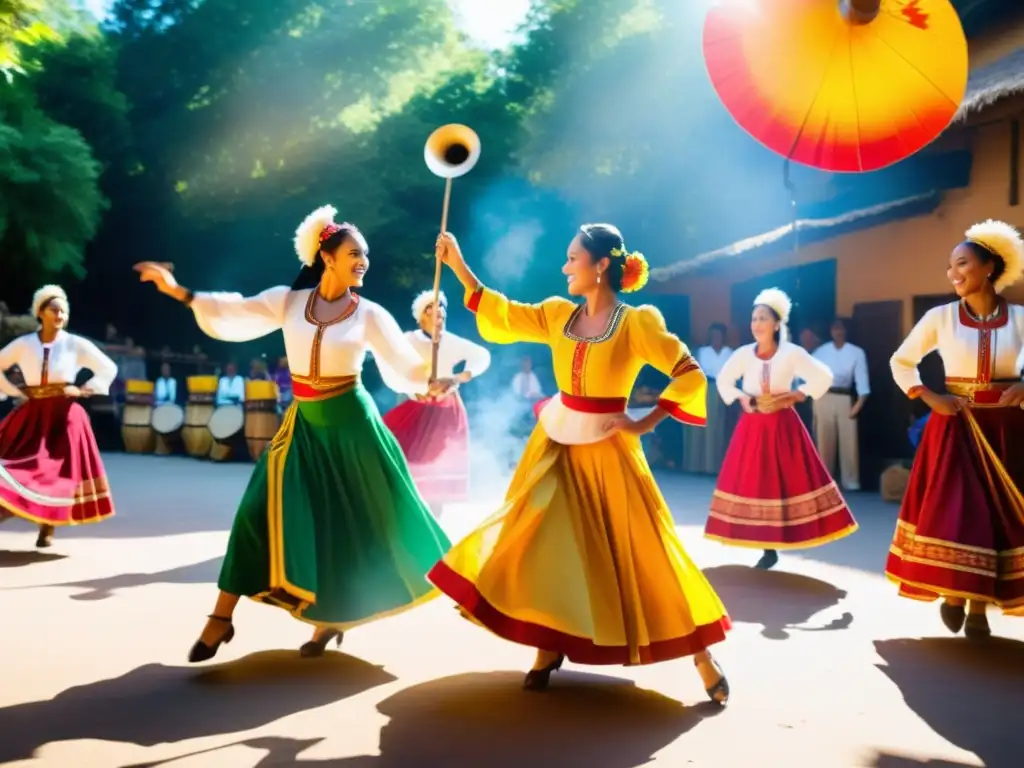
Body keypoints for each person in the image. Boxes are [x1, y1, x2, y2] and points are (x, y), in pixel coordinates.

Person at [134, 205, 456, 662]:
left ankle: (331, 617)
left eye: (366, 255)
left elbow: (406, 366)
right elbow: (233, 309)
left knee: (353, 522)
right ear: (326, 256)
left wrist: (431, 379)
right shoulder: (288, 302)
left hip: (352, 425)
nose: (363, 261)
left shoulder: (370, 314)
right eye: (354, 253)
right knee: (253, 513)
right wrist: (178, 292)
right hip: (301, 425)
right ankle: (220, 618)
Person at [428, 224, 731, 703]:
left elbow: (689, 372)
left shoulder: (637, 323)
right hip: (555, 442)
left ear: (601, 265)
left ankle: (702, 653)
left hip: (609, 448)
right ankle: (548, 646)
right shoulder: (555, 315)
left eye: (573, 258)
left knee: (643, 548)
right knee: (541, 536)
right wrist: (459, 266)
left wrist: (643, 422)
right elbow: (504, 314)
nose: (565, 267)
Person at [887, 219, 1024, 637]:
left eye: (962, 263)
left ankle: (980, 608)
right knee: (959, 513)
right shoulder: (940, 317)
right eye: (950, 267)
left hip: (1005, 431)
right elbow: (901, 361)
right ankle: (952, 593)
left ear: (989, 267)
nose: (953, 274)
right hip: (954, 427)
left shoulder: (1020, 318)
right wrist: (930, 398)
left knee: (996, 519)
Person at [705, 288, 857, 570]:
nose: (757, 324)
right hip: (752, 427)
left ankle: (789, 535)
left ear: (776, 324)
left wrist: (796, 395)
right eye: (754, 318)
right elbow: (725, 382)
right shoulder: (742, 355)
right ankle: (767, 547)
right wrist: (744, 398)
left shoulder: (791, 353)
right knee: (756, 482)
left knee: (787, 482)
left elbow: (822, 376)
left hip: (783, 425)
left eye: (763, 318)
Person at [0, 285, 118, 548]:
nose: (60, 313)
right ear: (40, 313)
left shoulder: (75, 344)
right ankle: (9, 510)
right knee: (14, 464)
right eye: (54, 308)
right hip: (32, 412)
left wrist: (86, 388)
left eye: (63, 309)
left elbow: (107, 367)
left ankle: (47, 525)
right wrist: (13, 390)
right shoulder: (24, 344)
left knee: (52, 471)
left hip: (65, 415)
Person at [380, 289, 491, 514]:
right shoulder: (407, 341)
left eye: (442, 316)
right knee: (400, 453)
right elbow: (388, 365)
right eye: (435, 315)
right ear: (422, 317)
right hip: (418, 405)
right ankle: (405, 511)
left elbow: (482, 356)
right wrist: (412, 388)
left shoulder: (451, 342)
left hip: (445, 409)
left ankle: (435, 520)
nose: (440, 320)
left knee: (438, 467)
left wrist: (459, 377)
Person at [812, 318, 869, 490]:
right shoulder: (820, 352)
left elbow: (862, 382)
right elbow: (810, 376)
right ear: (830, 331)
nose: (838, 332)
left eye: (841, 329)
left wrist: (858, 404)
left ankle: (850, 480)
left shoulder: (856, 352)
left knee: (848, 441)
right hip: (823, 396)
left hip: (845, 397)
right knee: (823, 440)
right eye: (835, 328)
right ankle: (824, 480)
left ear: (846, 331)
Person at [684, 322, 733, 474]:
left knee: (715, 428)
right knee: (700, 427)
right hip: (703, 390)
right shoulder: (702, 352)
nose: (715, 338)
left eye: (718, 335)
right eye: (713, 335)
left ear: (723, 337)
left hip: (720, 391)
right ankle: (696, 466)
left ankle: (713, 467)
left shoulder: (729, 352)